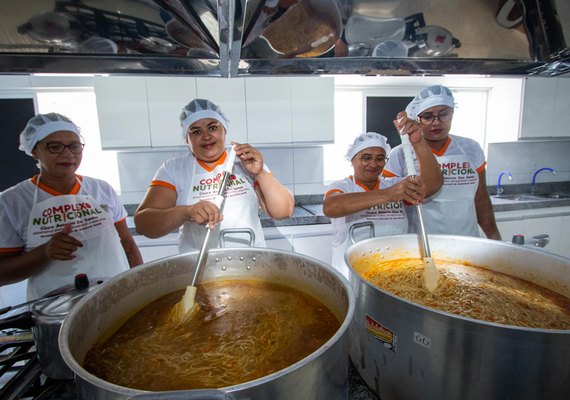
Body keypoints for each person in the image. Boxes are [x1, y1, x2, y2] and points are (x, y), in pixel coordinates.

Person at [0, 113, 143, 301]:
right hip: (54, 307)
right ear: (35, 151)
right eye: (55, 146)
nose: (68, 154)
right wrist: (44, 252)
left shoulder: (101, 189)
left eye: (75, 146)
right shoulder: (12, 202)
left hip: (115, 296)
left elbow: (127, 243)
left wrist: (142, 284)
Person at [134, 98, 294, 253]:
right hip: (200, 268)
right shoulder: (174, 169)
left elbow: (284, 211)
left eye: (212, 127)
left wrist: (260, 173)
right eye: (196, 131)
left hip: (251, 264)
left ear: (224, 130)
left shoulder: (246, 161)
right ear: (187, 139)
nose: (206, 136)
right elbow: (143, 224)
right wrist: (186, 212)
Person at [323, 114, 443, 277]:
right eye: (366, 158)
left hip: (393, 271)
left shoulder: (394, 184)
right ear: (352, 160)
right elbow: (331, 207)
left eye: (380, 158)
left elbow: (432, 184)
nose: (373, 163)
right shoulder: (344, 187)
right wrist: (389, 194)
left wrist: (419, 142)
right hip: (351, 273)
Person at [383, 84, 502, 240]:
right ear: (416, 119)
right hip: (422, 244)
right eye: (427, 116)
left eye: (444, 114)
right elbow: (391, 203)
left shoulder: (470, 148)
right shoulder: (400, 154)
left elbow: (481, 200)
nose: (437, 122)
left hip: (467, 241)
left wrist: (495, 238)